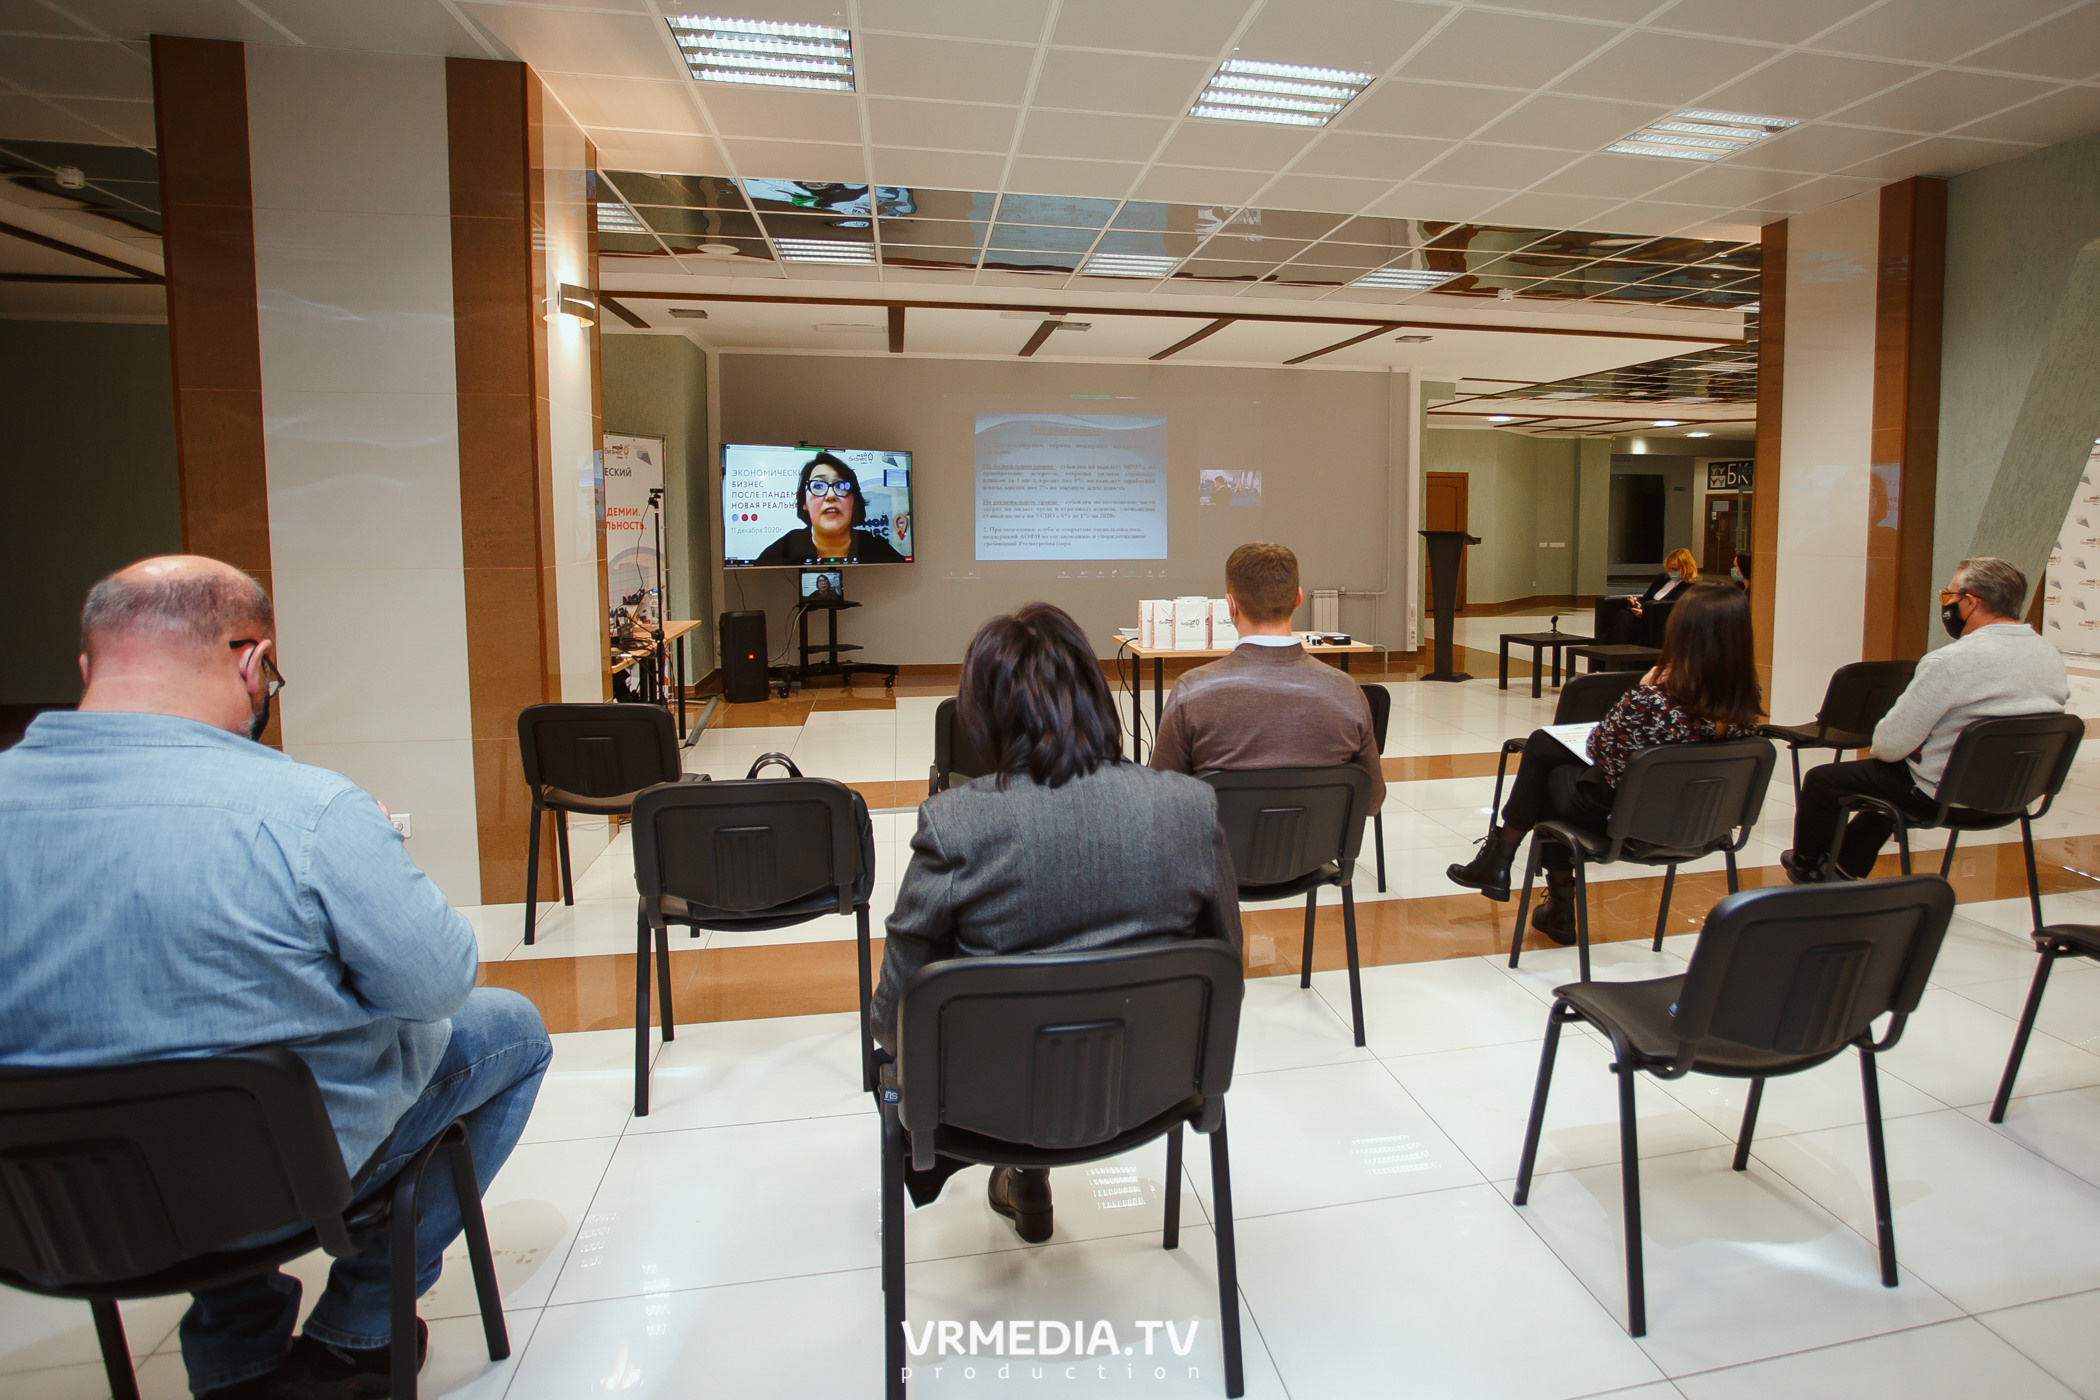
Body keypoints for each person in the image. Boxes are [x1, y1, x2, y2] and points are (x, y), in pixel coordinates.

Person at [0, 556, 551, 1400]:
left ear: (89, 669)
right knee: (507, 1026)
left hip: (53, 1203)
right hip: (285, 1183)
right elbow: (438, 983)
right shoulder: (308, 812)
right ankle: (363, 1326)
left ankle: (235, 1349)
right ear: (253, 663)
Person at [872, 603, 1241, 1244]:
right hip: (1155, 1084)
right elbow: (1226, 963)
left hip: (987, 1102)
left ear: (985, 716)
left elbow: (895, 1005)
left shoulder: (957, 823)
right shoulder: (1190, 807)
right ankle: (1027, 1176)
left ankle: (1021, 1165)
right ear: (1099, 697)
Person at [1448, 580, 1761, 940]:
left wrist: (1646, 687)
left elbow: (1602, 753)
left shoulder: (1651, 702)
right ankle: (1525, 881)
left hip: (1632, 828)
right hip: (1707, 825)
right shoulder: (1747, 704)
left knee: (1551, 777)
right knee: (1544, 750)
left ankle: (1519, 870)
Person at [1783, 557, 2069, 883]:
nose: (1946, 605)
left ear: (1970, 602)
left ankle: (1806, 866)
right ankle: (1843, 867)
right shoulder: (2049, 655)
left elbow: (1887, 746)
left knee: (1825, 779)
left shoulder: (1948, 662)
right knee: (1887, 788)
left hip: (1945, 797)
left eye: (1949, 597)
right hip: (2017, 797)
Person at [1147, 541, 1385, 815]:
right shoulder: (1346, 691)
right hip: (1314, 856)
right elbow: (1371, 801)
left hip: (1217, 857)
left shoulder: (1193, 691)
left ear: (1230, 605)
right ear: (1298, 599)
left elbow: (1161, 804)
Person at [751, 451, 907, 565]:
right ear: (803, 501)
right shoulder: (785, 549)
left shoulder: (876, 549)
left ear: (854, 500)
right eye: (818, 485)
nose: (831, 495)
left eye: (842, 485)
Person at [1600, 546, 1698, 644]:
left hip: (1658, 621)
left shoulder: (1690, 587)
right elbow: (1647, 598)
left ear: (1686, 568)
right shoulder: (1662, 578)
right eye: (1669, 568)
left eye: (1675, 569)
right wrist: (1636, 602)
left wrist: (1645, 613)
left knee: (1624, 619)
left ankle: (1614, 652)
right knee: (1622, 614)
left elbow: (1673, 609)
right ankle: (1610, 652)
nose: (1671, 572)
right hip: (1644, 614)